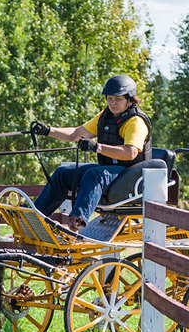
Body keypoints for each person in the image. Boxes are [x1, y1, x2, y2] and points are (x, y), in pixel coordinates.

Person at [30, 74, 152, 231]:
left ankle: (73, 223)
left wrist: (97, 147)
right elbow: (75, 134)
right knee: (62, 173)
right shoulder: (105, 117)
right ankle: (35, 219)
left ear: (130, 100)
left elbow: (130, 153)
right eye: (109, 98)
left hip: (130, 174)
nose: (113, 103)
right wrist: (48, 131)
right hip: (109, 171)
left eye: (118, 99)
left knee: (94, 174)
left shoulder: (135, 122)